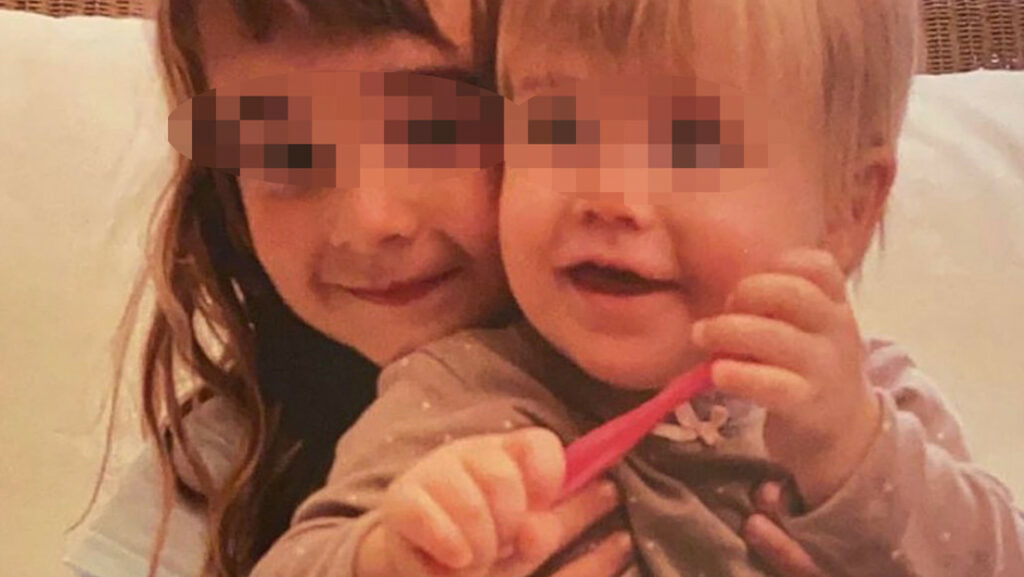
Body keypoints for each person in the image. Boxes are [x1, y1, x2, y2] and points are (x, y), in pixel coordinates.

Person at [247, 0, 1024, 576]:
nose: (609, 196)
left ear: (847, 208)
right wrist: (389, 556)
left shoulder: (871, 408)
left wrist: (857, 454)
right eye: (559, 125)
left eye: (688, 140)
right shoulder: (462, 394)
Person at [62, 0, 824, 576]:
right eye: (279, 148)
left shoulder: (795, 414)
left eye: (436, 123)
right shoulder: (230, 454)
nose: (370, 222)